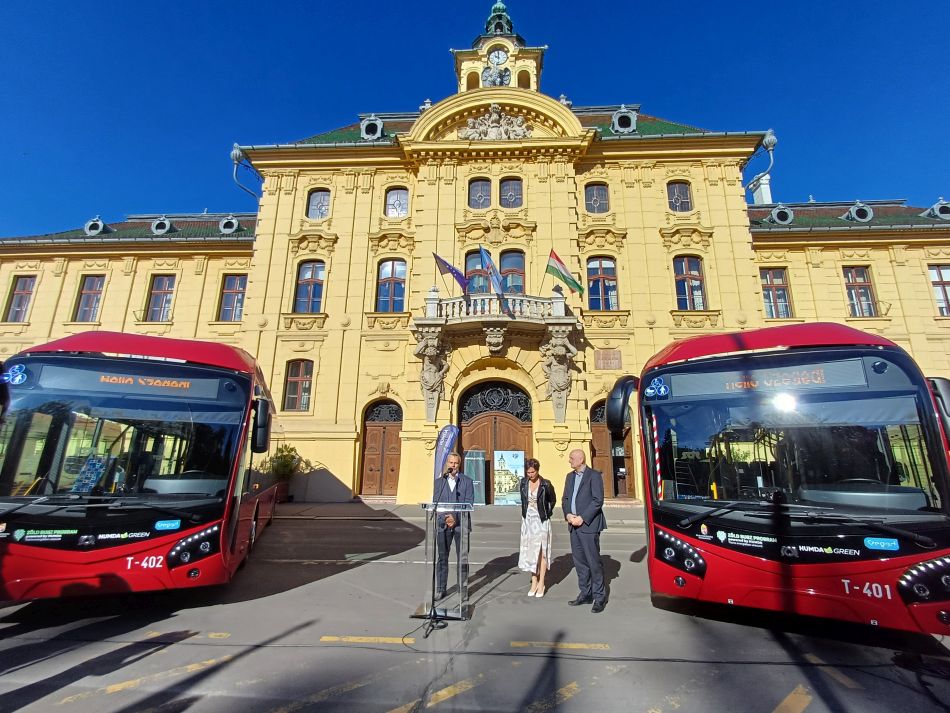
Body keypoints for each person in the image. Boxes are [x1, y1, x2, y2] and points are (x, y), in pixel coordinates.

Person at [562, 448, 607, 613]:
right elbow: (565, 498)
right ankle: (585, 593)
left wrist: (582, 517)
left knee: (593, 562)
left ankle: (599, 596)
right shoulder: (570, 477)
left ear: (581, 459)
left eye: (572, 458)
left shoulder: (594, 476)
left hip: (588, 525)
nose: (569, 461)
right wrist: (567, 514)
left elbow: (597, 500)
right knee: (580, 562)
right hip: (573, 525)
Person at [432, 452, 475, 600]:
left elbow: (469, 503)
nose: (453, 466)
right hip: (443, 525)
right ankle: (440, 588)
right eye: (451, 463)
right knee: (442, 557)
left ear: (459, 464)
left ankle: (462, 588)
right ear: (447, 464)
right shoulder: (439, 482)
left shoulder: (467, 481)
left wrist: (454, 518)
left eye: (456, 463)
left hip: (461, 525)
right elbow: (436, 502)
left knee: (462, 558)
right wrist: (446, 517)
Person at [518, 458, 556, 598]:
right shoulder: (523, 483)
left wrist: (547, 513)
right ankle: (534, 580)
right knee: (530, 551)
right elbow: (523, 500)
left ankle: (541, 582)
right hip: (528, 520)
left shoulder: (546, 484)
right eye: (528, 472)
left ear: (538, 470)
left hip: (541, 520)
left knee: (542, 550)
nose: (530, 475)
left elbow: (552, 500)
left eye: (533, 472)